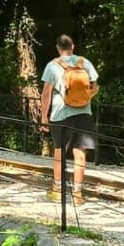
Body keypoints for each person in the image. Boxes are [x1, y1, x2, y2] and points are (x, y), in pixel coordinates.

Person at [39, 36, 99, 205]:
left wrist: (44, 117)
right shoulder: (84, 63)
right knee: (80, 153)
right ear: (72, 46)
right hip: (84, 114)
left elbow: (46, 94)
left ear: (58, 48)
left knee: (59, 152)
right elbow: (95, 87)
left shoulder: (52, 66)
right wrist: (84, 99)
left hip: (60, 115)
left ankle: (58, 190)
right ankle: (78, 194)